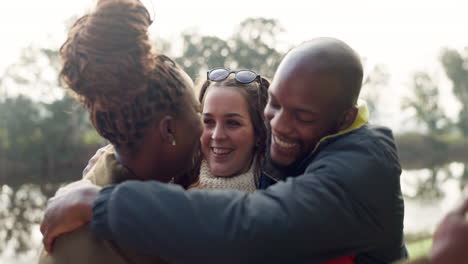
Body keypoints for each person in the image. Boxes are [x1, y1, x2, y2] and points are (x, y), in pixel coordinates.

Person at [41, 38, 407, 264]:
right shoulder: (307, 147)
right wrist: (120, 146)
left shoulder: (361, 169)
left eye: (302, 115)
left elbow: (251, 224)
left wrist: (101, 204)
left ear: (344, 117)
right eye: (275, 105)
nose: (277, 124)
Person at [37, 0, 202, 263]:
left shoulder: (89, 190)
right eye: (197, 110)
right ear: (169, 130)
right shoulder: (150, 238)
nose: (203, 124)